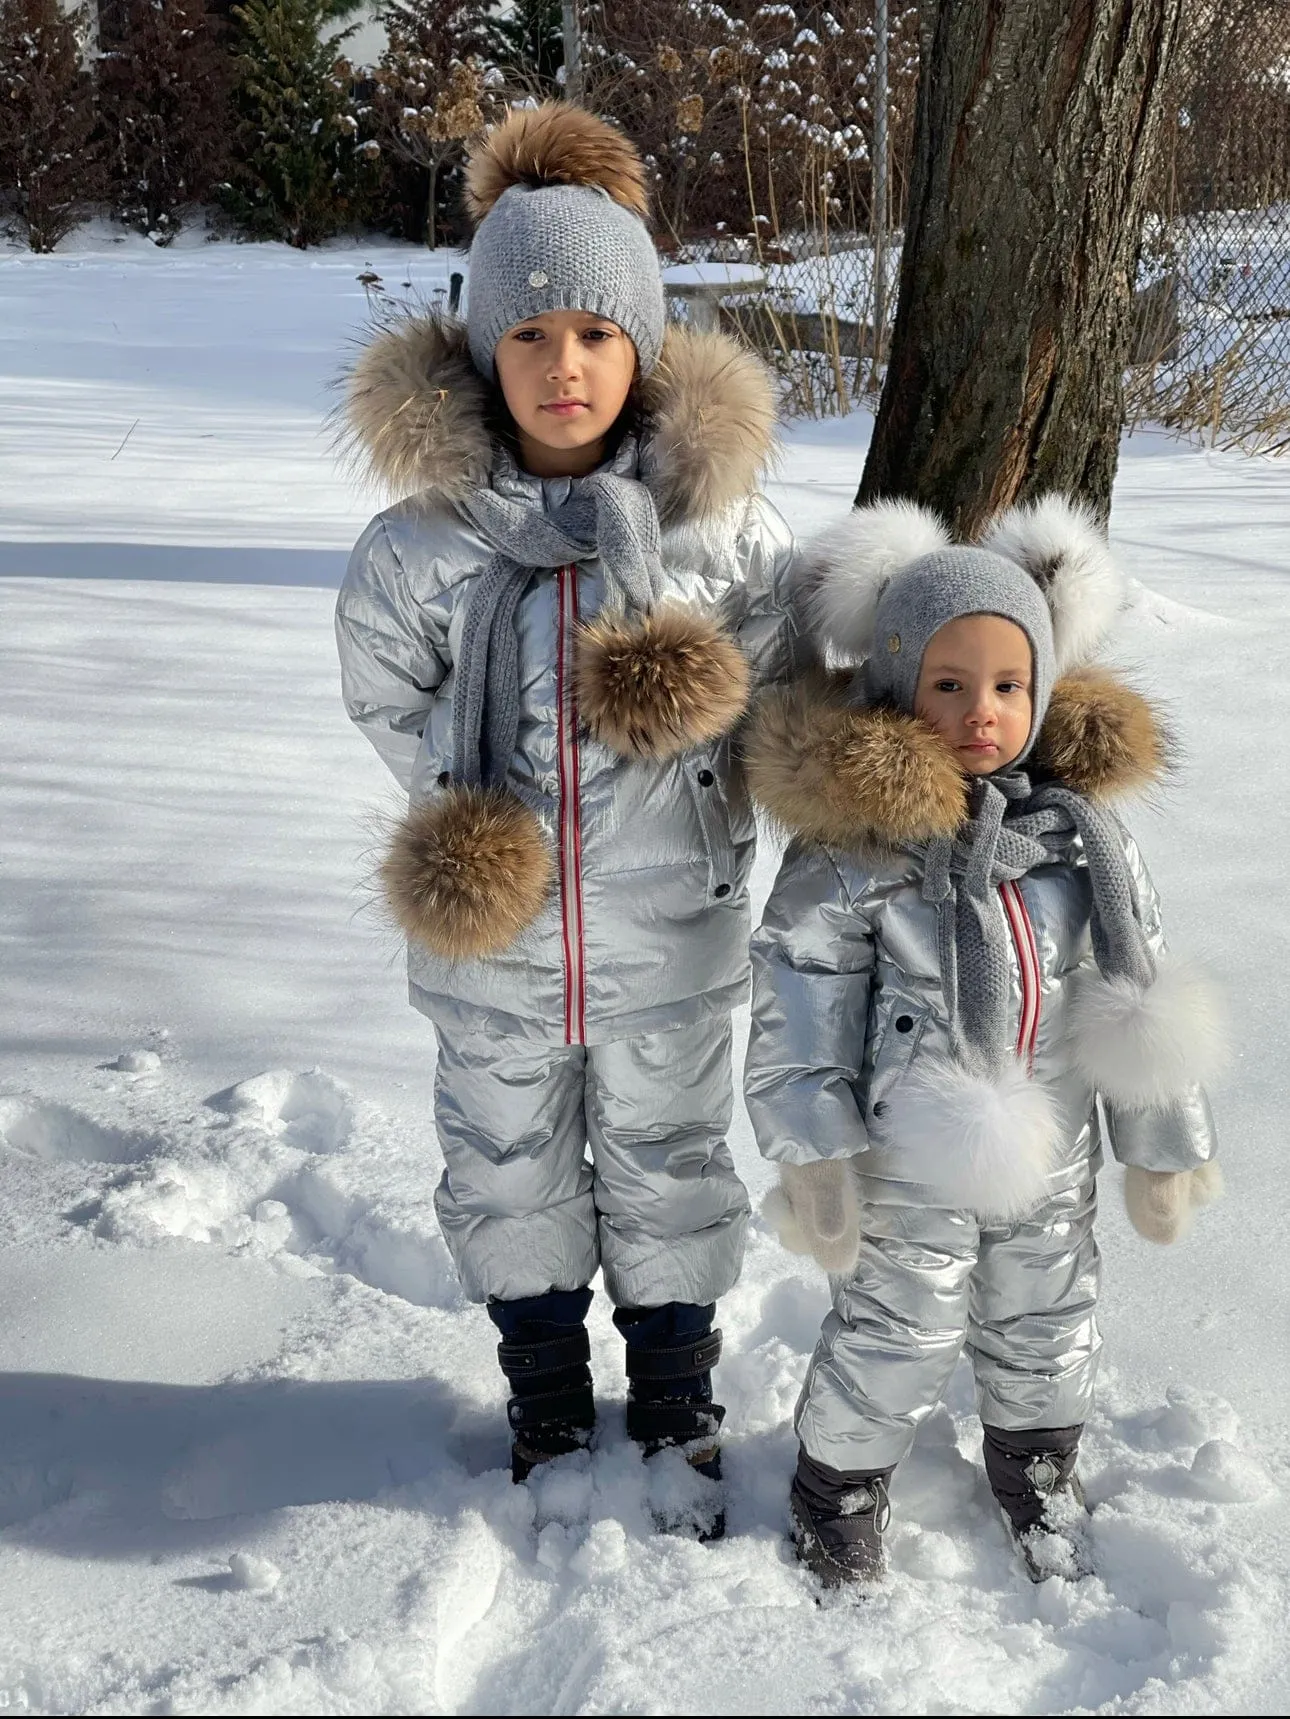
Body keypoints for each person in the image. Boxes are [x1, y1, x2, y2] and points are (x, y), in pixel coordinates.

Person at [334, 102, 799, 1526]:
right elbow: (384, 697)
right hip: (494, 934)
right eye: (528, 334)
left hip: (670, 938)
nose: (562, 365)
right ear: (482, 348)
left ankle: (672, 1390)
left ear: (644, 350)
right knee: (504, 1154)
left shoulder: (721, 539)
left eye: (596, 333)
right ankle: (541, 1385)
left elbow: (778, 714)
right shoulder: (422, 549)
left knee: (669, 1157)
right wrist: (465, 790)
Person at [742, 496, 1223, 1584]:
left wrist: (1162, 1148)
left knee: (1047, 1308)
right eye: (947, 684)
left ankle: (1038, 1460)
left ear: (1043, 689)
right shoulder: (854, 854)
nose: (981, 711)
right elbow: (799, 1010)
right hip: (901, 1154)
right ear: (896, 684)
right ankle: (841, 1483)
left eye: (1008, 686)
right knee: (895, 1323)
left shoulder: (1085, 843)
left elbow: (1134, 986)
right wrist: (812, 1149)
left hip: (1053, 1147)